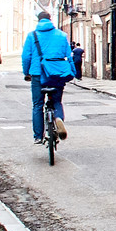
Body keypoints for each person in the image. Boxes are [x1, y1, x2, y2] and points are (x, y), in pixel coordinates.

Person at [21, 10, 74, 144]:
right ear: (50, 20)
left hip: (38, 74)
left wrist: (26, 72)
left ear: (39, 21)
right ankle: (58, 119)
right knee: (56, 102)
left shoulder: (32, 36)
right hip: (56, 74)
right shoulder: (62, 35)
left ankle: (38, 136)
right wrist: (72, 72)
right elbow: (69, 56)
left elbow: (26, 57)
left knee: (38, 105)